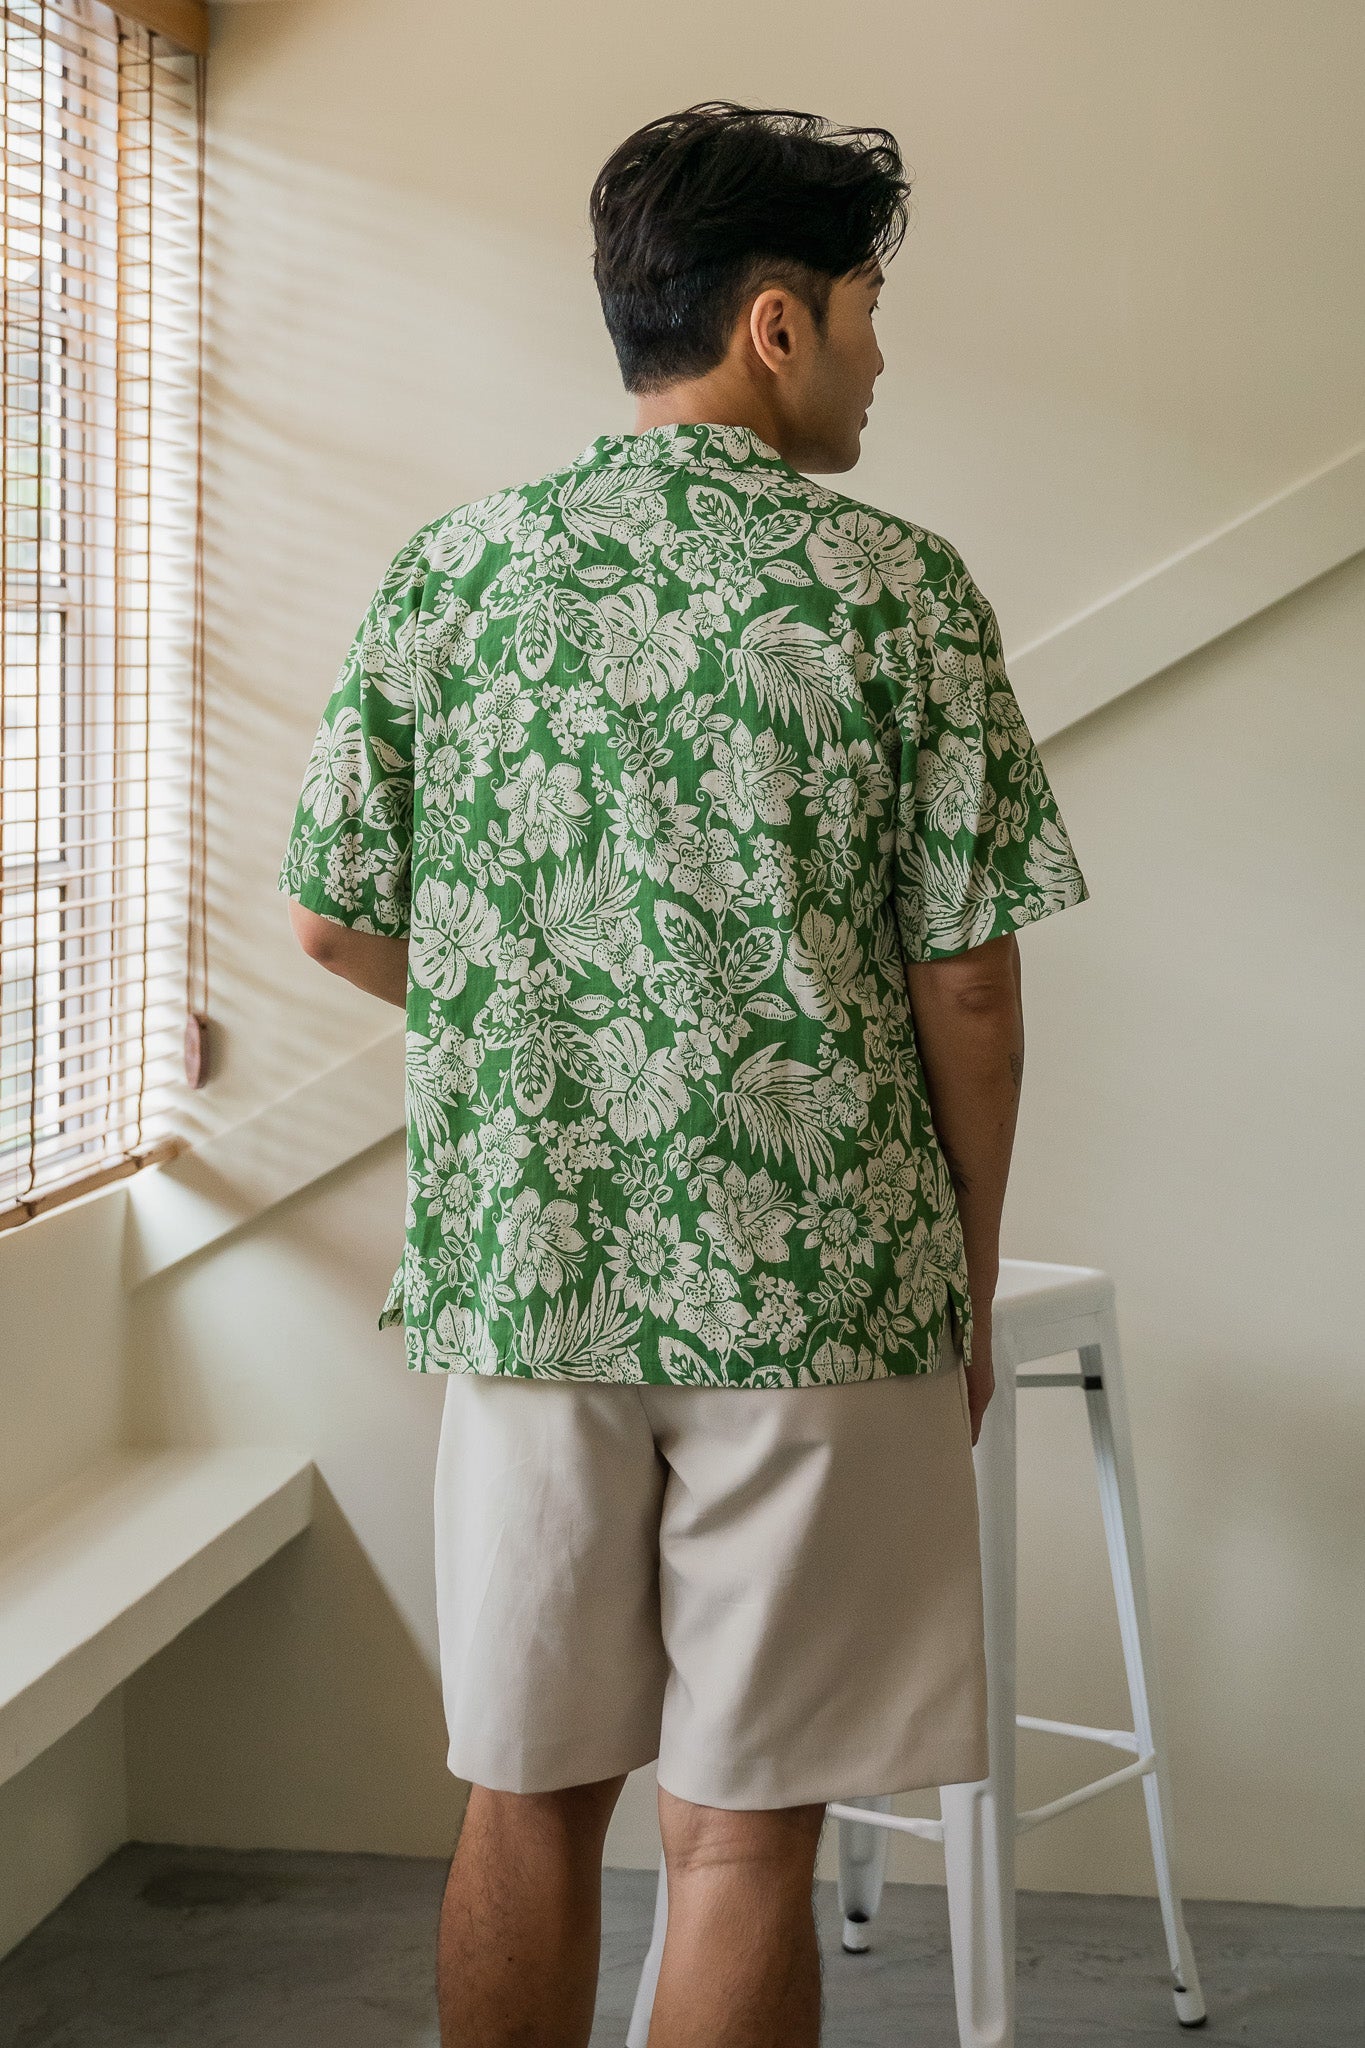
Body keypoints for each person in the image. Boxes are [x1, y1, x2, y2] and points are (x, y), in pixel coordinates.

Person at [279, 101, 1088, 2048]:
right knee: (738, 1843)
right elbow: (964, 989)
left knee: (526, 1795)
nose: (879, 358)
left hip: (528, 1269)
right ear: (777, 324)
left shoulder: (453, 573)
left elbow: (327, 917)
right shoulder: (896, 593)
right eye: (869, 309)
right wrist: (962, 1274)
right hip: (819, 1286)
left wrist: (542, 1017)